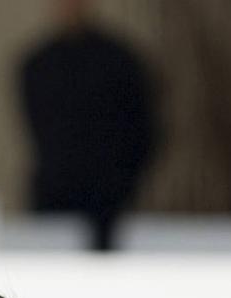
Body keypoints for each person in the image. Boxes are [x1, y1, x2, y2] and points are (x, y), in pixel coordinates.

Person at [17, 0, 156, 251]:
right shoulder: (36, 65)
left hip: (107, 199)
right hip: (54, 194)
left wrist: (123, 180)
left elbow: (144, 132)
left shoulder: (121, 62)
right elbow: (38, 132)